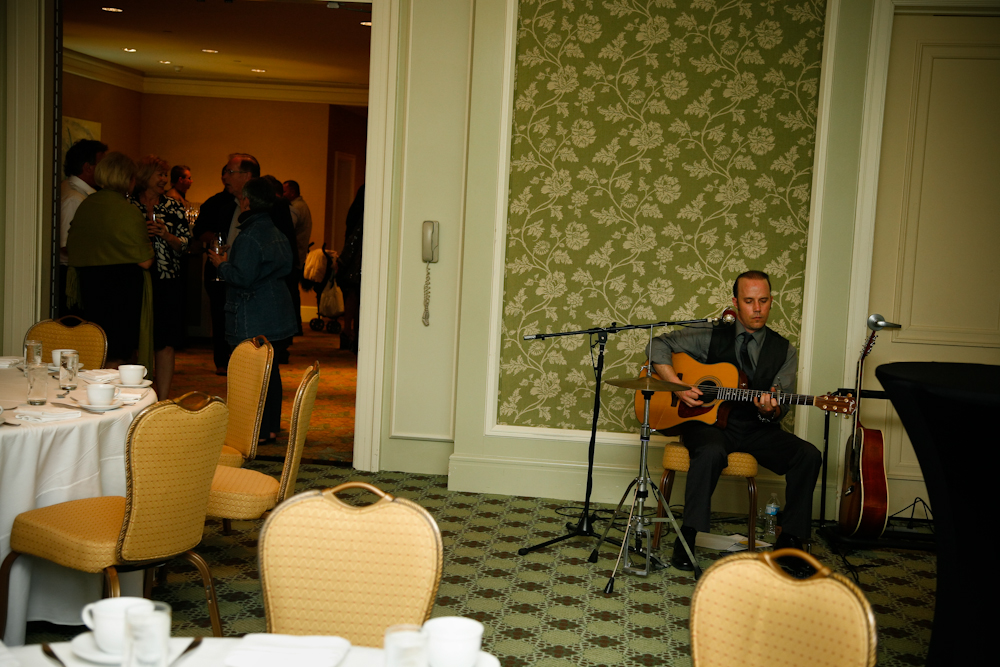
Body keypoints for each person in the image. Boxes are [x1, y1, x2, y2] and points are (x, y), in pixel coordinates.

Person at [646, 270, 821, 574]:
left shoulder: (784, 350)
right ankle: (686, 538)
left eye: (763, 301)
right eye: (749, 301)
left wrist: (769, 410)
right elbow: (657, 345)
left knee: (808, 455)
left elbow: (782, 404)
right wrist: (677, 385)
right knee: (711, 452)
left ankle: (789, 542)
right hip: (708, 424)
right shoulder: (711, 333)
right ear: (735, 302)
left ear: (771, 301)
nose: (757, 309)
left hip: (756, 428)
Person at [207, 177, 296, 443]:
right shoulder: (276, 231)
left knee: (251, 375)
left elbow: (242, 277)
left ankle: (254, 430)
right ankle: (269, 427)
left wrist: (221, 264)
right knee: (271, 372)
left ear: (246, 201)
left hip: (253, 313)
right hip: (277, 309)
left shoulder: (250, 235)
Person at [66, 152, 154, 368]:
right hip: (122, 289)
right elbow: (145, 261)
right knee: (119, 352)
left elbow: (72, 247)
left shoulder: (86, 205)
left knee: (96, 347)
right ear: (126, 179)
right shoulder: (127, 211)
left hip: (89, 286)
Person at [130, 155, 192, 398]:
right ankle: (136, 396)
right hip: (134, 279)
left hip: (167, 280)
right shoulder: (128, 205)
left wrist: (166, 236)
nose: (164, 179)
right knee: (134, 340)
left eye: (165, 175)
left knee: (164, 341)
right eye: (160, 174)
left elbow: (186, 244)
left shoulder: (173, 206)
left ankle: (163, 398)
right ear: (144, 175)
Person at [195, 155, 259, 375]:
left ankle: (249, 366)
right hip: (220, 271)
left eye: (230, 172)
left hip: (250, 277)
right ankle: (222, 362)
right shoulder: (219, 203)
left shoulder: (265, 207)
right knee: (220, 316)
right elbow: (199, 232)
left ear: (247, 176)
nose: (225, 177)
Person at [59, 139, 107, 316]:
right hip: (71, 276)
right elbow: (65, 245)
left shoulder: (82, 194)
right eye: (102, 164)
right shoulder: (75, 198)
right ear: (88, 167)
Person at [337, 184, 364, 354]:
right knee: (359, 298)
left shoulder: (355, 212)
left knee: (352, 296)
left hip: (354, 262)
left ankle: (348, 332)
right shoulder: (367, 214)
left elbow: (351, 239)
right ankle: (354, 334)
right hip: (361, 261)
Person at [283, 179, 311, 336]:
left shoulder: (296, 208)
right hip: (299, 255)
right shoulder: (301, 206)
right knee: (293, 292)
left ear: (292, 192)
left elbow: (288, 228)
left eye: (284, 191)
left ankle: (294, 327)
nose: (282, 194)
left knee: (291, 292)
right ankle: (296, 325)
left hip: (295, 256)